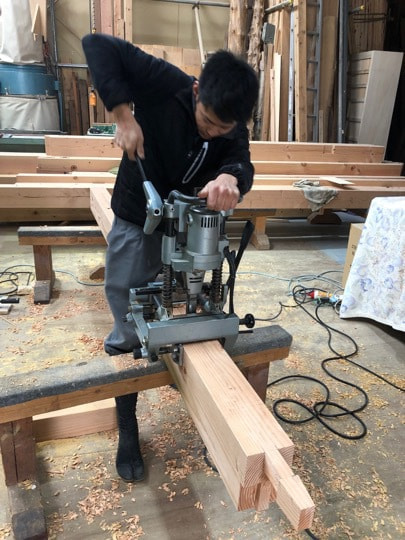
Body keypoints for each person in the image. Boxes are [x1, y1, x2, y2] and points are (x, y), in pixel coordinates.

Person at [82, 33, 259, 483]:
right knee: (129, 320)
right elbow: (96, 44)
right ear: (196, 91)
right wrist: (123, 115)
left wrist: (231, 176)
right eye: (207, 122)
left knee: (200, 315)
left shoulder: (231, 127)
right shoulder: (165, 82)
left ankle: (211, 413)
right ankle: (127, 423)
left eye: (223, 128)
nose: (213, 132)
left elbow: (243, 163)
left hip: (187, 227)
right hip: (138, 214)